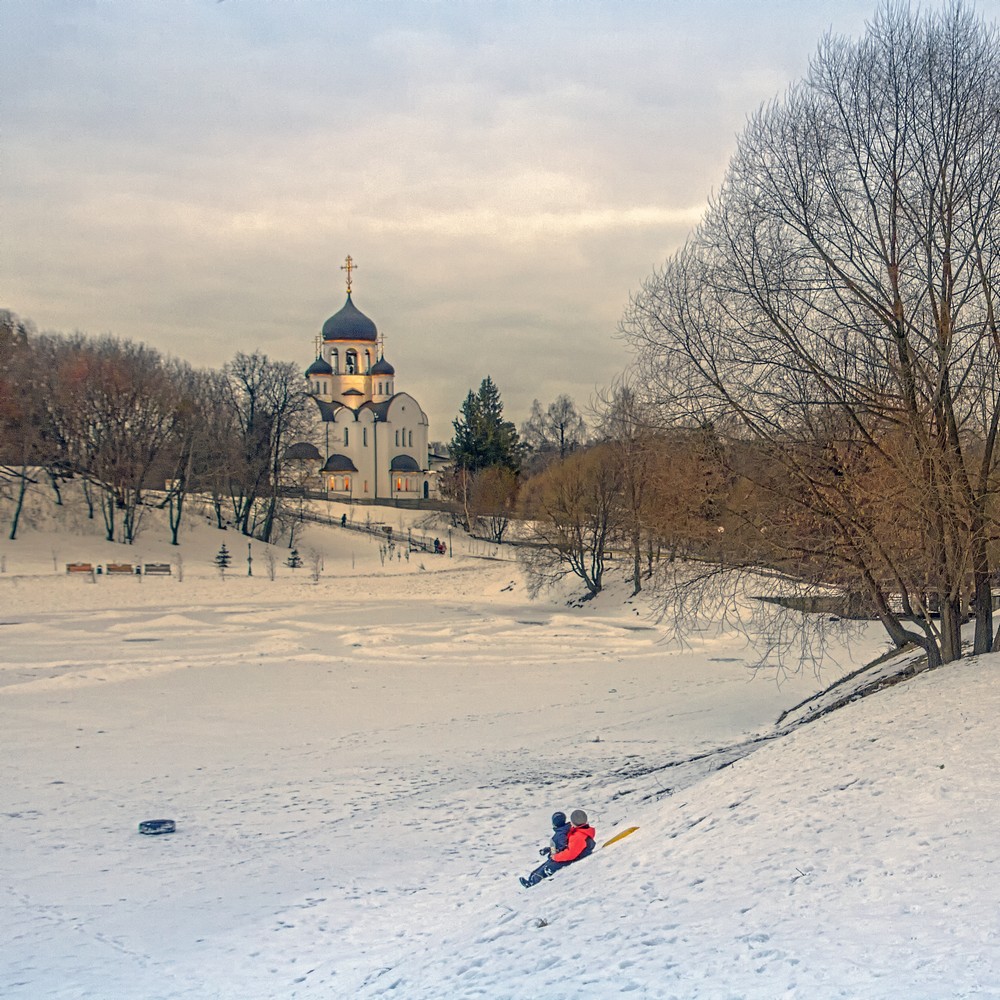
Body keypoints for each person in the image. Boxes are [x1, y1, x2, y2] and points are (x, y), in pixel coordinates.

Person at [519, 809, 595, 888]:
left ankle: (533, 883)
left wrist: (556, 856)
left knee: (546, 868)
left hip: (567, 859)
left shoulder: (578, 836)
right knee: (544, 866)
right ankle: (531, 880)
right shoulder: (578, 832)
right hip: (565, 856)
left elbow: (570, 854)